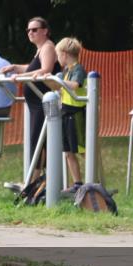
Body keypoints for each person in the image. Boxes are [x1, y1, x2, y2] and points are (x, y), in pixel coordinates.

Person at [0, 17, 60, 175]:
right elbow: (33, 68)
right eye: (28, 30)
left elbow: (45, 69)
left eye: (34, 29)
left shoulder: (48, 47)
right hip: (36, 102)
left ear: (45, 31)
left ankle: (34, 179)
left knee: (37, 140)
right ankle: (41, 179)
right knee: (39, 140)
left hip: (42, 100)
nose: (30, 33)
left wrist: (20, 77)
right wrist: (15, 68)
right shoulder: (40, 49)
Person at [38, 37, 87, 188]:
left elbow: (74, 85)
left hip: (76, 114)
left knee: (83, 150)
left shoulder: (78, 69)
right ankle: (77, 183)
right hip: (65, 112)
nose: (57, 58)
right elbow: (59, 88)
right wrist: (47, 80)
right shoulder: (66, 71)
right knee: (68, 152)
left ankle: (95, 180)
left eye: (58, 55)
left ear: (64, 54)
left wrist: (58, 81)